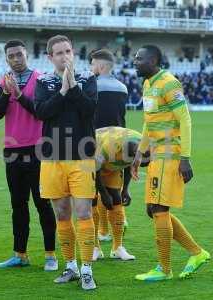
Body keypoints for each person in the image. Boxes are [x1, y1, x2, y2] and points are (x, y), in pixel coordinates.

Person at [132, 45, 210, 281]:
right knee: (152, 209)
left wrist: (185, 157)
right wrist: (139, 152)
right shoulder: (148, 84)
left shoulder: (169, 82)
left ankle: (164, 269)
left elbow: (184, 119)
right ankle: (197, 253)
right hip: (156, 153)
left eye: (139, 58)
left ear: (154, 60)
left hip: (171, 152)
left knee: (159, 209)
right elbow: (149, 121)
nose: (135, 62)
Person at [34, 35, 98, 290]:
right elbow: (42, 112)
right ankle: (70, 264)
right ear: (50, 57)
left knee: (83, 212)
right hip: (52, 157)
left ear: (74, 53)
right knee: (62, 213)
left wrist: (72, 85)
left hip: (82, 157)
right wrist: (61, 89)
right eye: (59, 53)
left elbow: (89, 110)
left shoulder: (88, 79)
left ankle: (86, 268)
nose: (65, 56)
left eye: (68, 51)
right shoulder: (44, 82)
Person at [0, 39, 57, 271]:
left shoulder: (41, 79)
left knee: (43, 204)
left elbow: (41, 112)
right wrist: (6, 94)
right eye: (11, 56)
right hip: (13, 152)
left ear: (26, 54)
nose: (16, 59)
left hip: (38, 150)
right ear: (6, 58)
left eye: (19, 54)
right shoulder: (2, 82)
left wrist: (18, 95)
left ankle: (50, 255)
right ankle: (20, 254)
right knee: (18, 205)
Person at [89, 48, 129, 243]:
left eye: (92, 63)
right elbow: (123, 119)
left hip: (95, 142)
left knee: (95, 193)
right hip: (118, 144)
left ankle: (100, 235)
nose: (90, 67)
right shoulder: (123, 87)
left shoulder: (91, 85)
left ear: (101, 65)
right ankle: (107, 233)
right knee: (112, 190)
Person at [92, 127, 146, 262]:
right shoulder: (109, 147)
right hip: (90, 163)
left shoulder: (142, 144)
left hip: (112, 165)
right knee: (91, 201)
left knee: (117, 199)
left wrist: (125, 189)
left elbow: (128, 165)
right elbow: (95, 169)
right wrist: (103, 194)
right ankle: (94, 248)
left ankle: (117, 248)